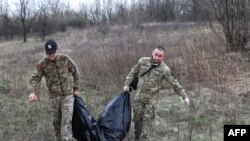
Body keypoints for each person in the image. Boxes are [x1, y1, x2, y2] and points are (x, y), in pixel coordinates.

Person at [123, 46, 190, 141]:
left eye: (160, 56)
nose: (157, 57)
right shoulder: (143, 61)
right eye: (156, 55)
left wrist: (184, 96)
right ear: (152, 53)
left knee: (147, 128)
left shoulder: (165, 69)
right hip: (138, 99)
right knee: (137, 123)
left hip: (151, 102)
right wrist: (127, 84)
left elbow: (174, 83)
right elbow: (133, 72)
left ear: (163, 57)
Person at [28, 39, 80, 141]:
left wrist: (76, 88)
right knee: (56, 123)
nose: (51, 55)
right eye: (48, 54)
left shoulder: (65, 59)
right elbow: (34, 79)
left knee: (66, 124)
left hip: (68, 97)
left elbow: (76, 72)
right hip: (54, 99)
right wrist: (31, 92)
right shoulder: (42, 64)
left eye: (52, 53)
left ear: (57, 50)